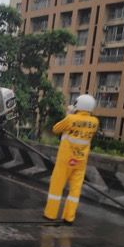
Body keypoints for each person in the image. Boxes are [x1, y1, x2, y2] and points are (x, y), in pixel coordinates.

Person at [44, 94, 99, 224]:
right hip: (80, 161)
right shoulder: (95, 122)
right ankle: (69, 217)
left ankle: (50, 214)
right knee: (75, 190)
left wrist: (69, 113)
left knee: (56, 187)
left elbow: (56, 129)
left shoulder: (71, 119)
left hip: (65, 160)